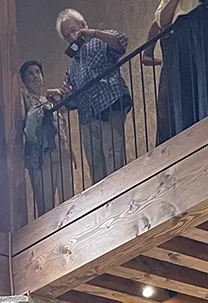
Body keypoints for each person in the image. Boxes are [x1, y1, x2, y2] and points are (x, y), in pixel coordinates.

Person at [54, 9, 131, 183]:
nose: (71, 37)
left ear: (83, 25)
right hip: (87, 117)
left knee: (114, 157)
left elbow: (122, 42)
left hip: (109, 105)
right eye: (67, 36)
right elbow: (73, 101)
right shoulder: (73, 63)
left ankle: (120, 196)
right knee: (96, 168)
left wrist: (94, 33)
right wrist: (66, 94)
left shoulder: (99, 41)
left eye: (73, 30)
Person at [147, 0, 208, 143]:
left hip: (204, 17)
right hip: (178, 31)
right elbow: (162, 21)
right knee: (183, 95)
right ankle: (188, 143)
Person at [20, 58, 67, 218]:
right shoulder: (23, 99)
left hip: (61, 152)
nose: (34, 76)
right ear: (24, 80)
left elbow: (60, 127)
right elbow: (25, 125)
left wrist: (69, 150)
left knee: (68, 198)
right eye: (29, 74)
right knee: (45, 204)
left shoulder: (50, 101)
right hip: (40, 157)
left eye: (37, 72)